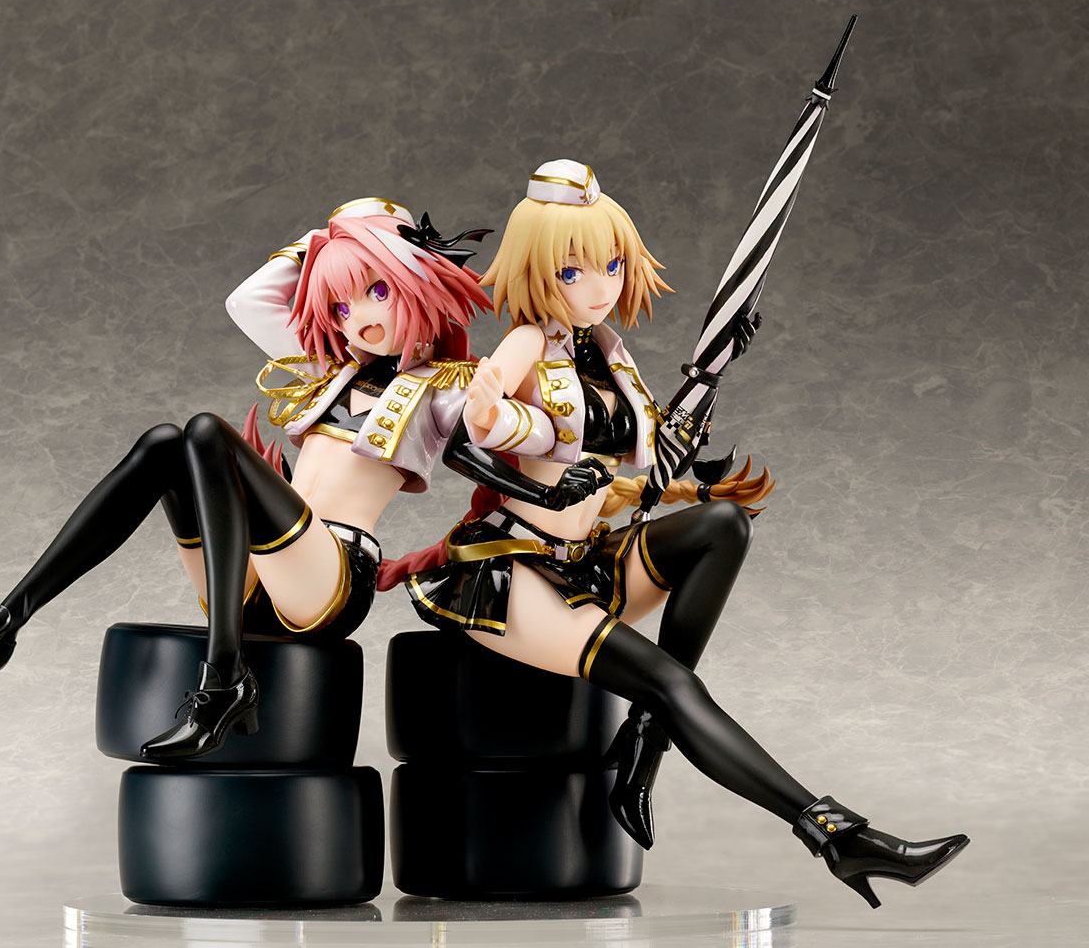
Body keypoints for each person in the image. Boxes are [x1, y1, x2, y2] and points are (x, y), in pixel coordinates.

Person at [404, 161, 968, 907]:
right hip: (513, 576)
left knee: (722, 526)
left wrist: (708, 386)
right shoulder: (525, 345)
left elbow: (642, 463)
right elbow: (462, 435)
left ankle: (646, 734)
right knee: (675, 683)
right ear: (539, 269)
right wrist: (539, 469)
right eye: (575, 271)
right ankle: (836, 835)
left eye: (611, 266)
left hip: (587, 563)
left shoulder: (608, 350)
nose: (600, 286)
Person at [0, 198, 491, 761]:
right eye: (340, 307)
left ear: (418, 276)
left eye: (378, 290)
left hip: (328, 583)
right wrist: (327, 239)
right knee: (163, 445)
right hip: (251, 578)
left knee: (207, 432)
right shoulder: (331, 369)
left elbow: (509, 442)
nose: (359, 317)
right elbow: (248, 302)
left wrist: (513, 418)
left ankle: (223, 682)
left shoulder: (449, 387)